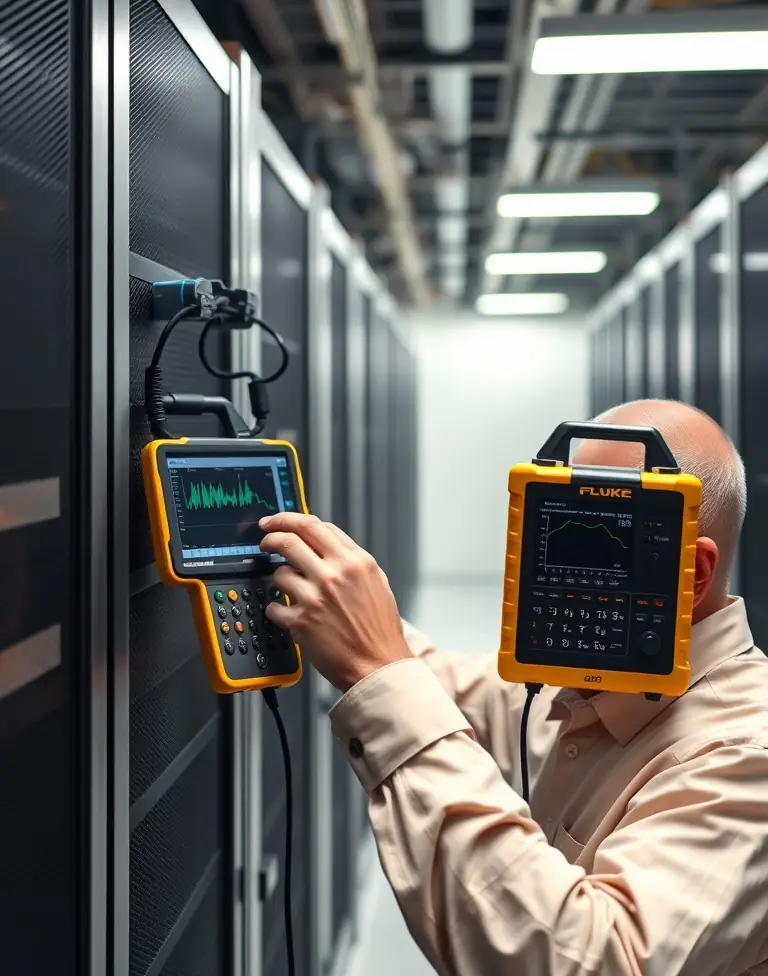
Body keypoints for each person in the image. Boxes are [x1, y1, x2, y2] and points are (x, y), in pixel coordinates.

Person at [259, 399, 768, 976]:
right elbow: (443, 687)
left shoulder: (746, 756)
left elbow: (596, 961)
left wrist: (378, 674)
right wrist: (334, 604)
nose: (543, 576)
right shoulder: (599, 689)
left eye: (592, 545)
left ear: (691, 575)